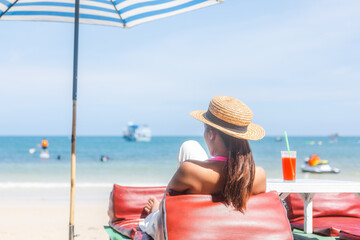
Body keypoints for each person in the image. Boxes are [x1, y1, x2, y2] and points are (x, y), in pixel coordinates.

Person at [139, 95, 267, 238]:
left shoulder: (189, 171)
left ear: (211, 134)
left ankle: (153, 214)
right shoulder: (258, 175)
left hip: (190, 228)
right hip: (228, 226)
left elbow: (167, 207)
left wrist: (156, 210)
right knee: (190, 147)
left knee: (187, 147)